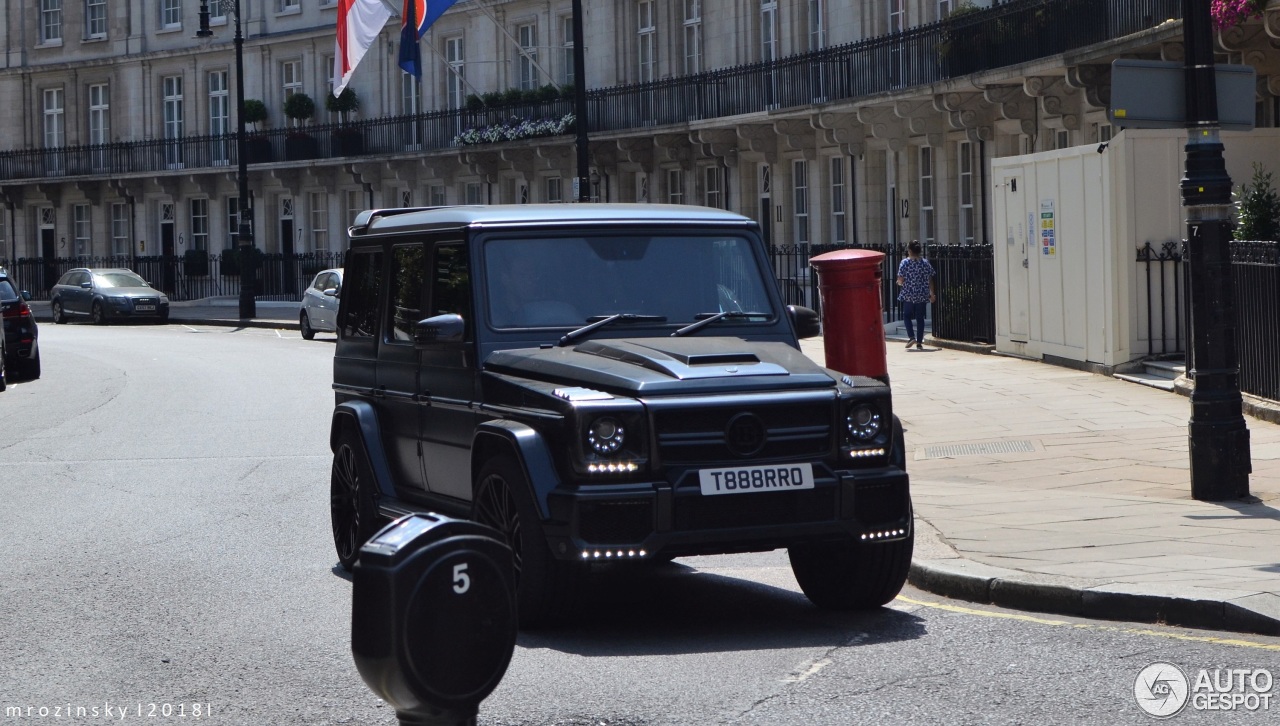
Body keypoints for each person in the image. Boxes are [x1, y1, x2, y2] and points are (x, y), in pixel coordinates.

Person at [896, 239, 936, 350]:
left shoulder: (905, 262)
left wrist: (899, 283)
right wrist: (932, 293)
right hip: (922, 294)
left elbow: (900, 279)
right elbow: (931, 278)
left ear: (909, 250)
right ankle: (919, 342)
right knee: (920, 318)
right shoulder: (925, 262)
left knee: (907, 316)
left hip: (908, 293)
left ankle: (911, 337)